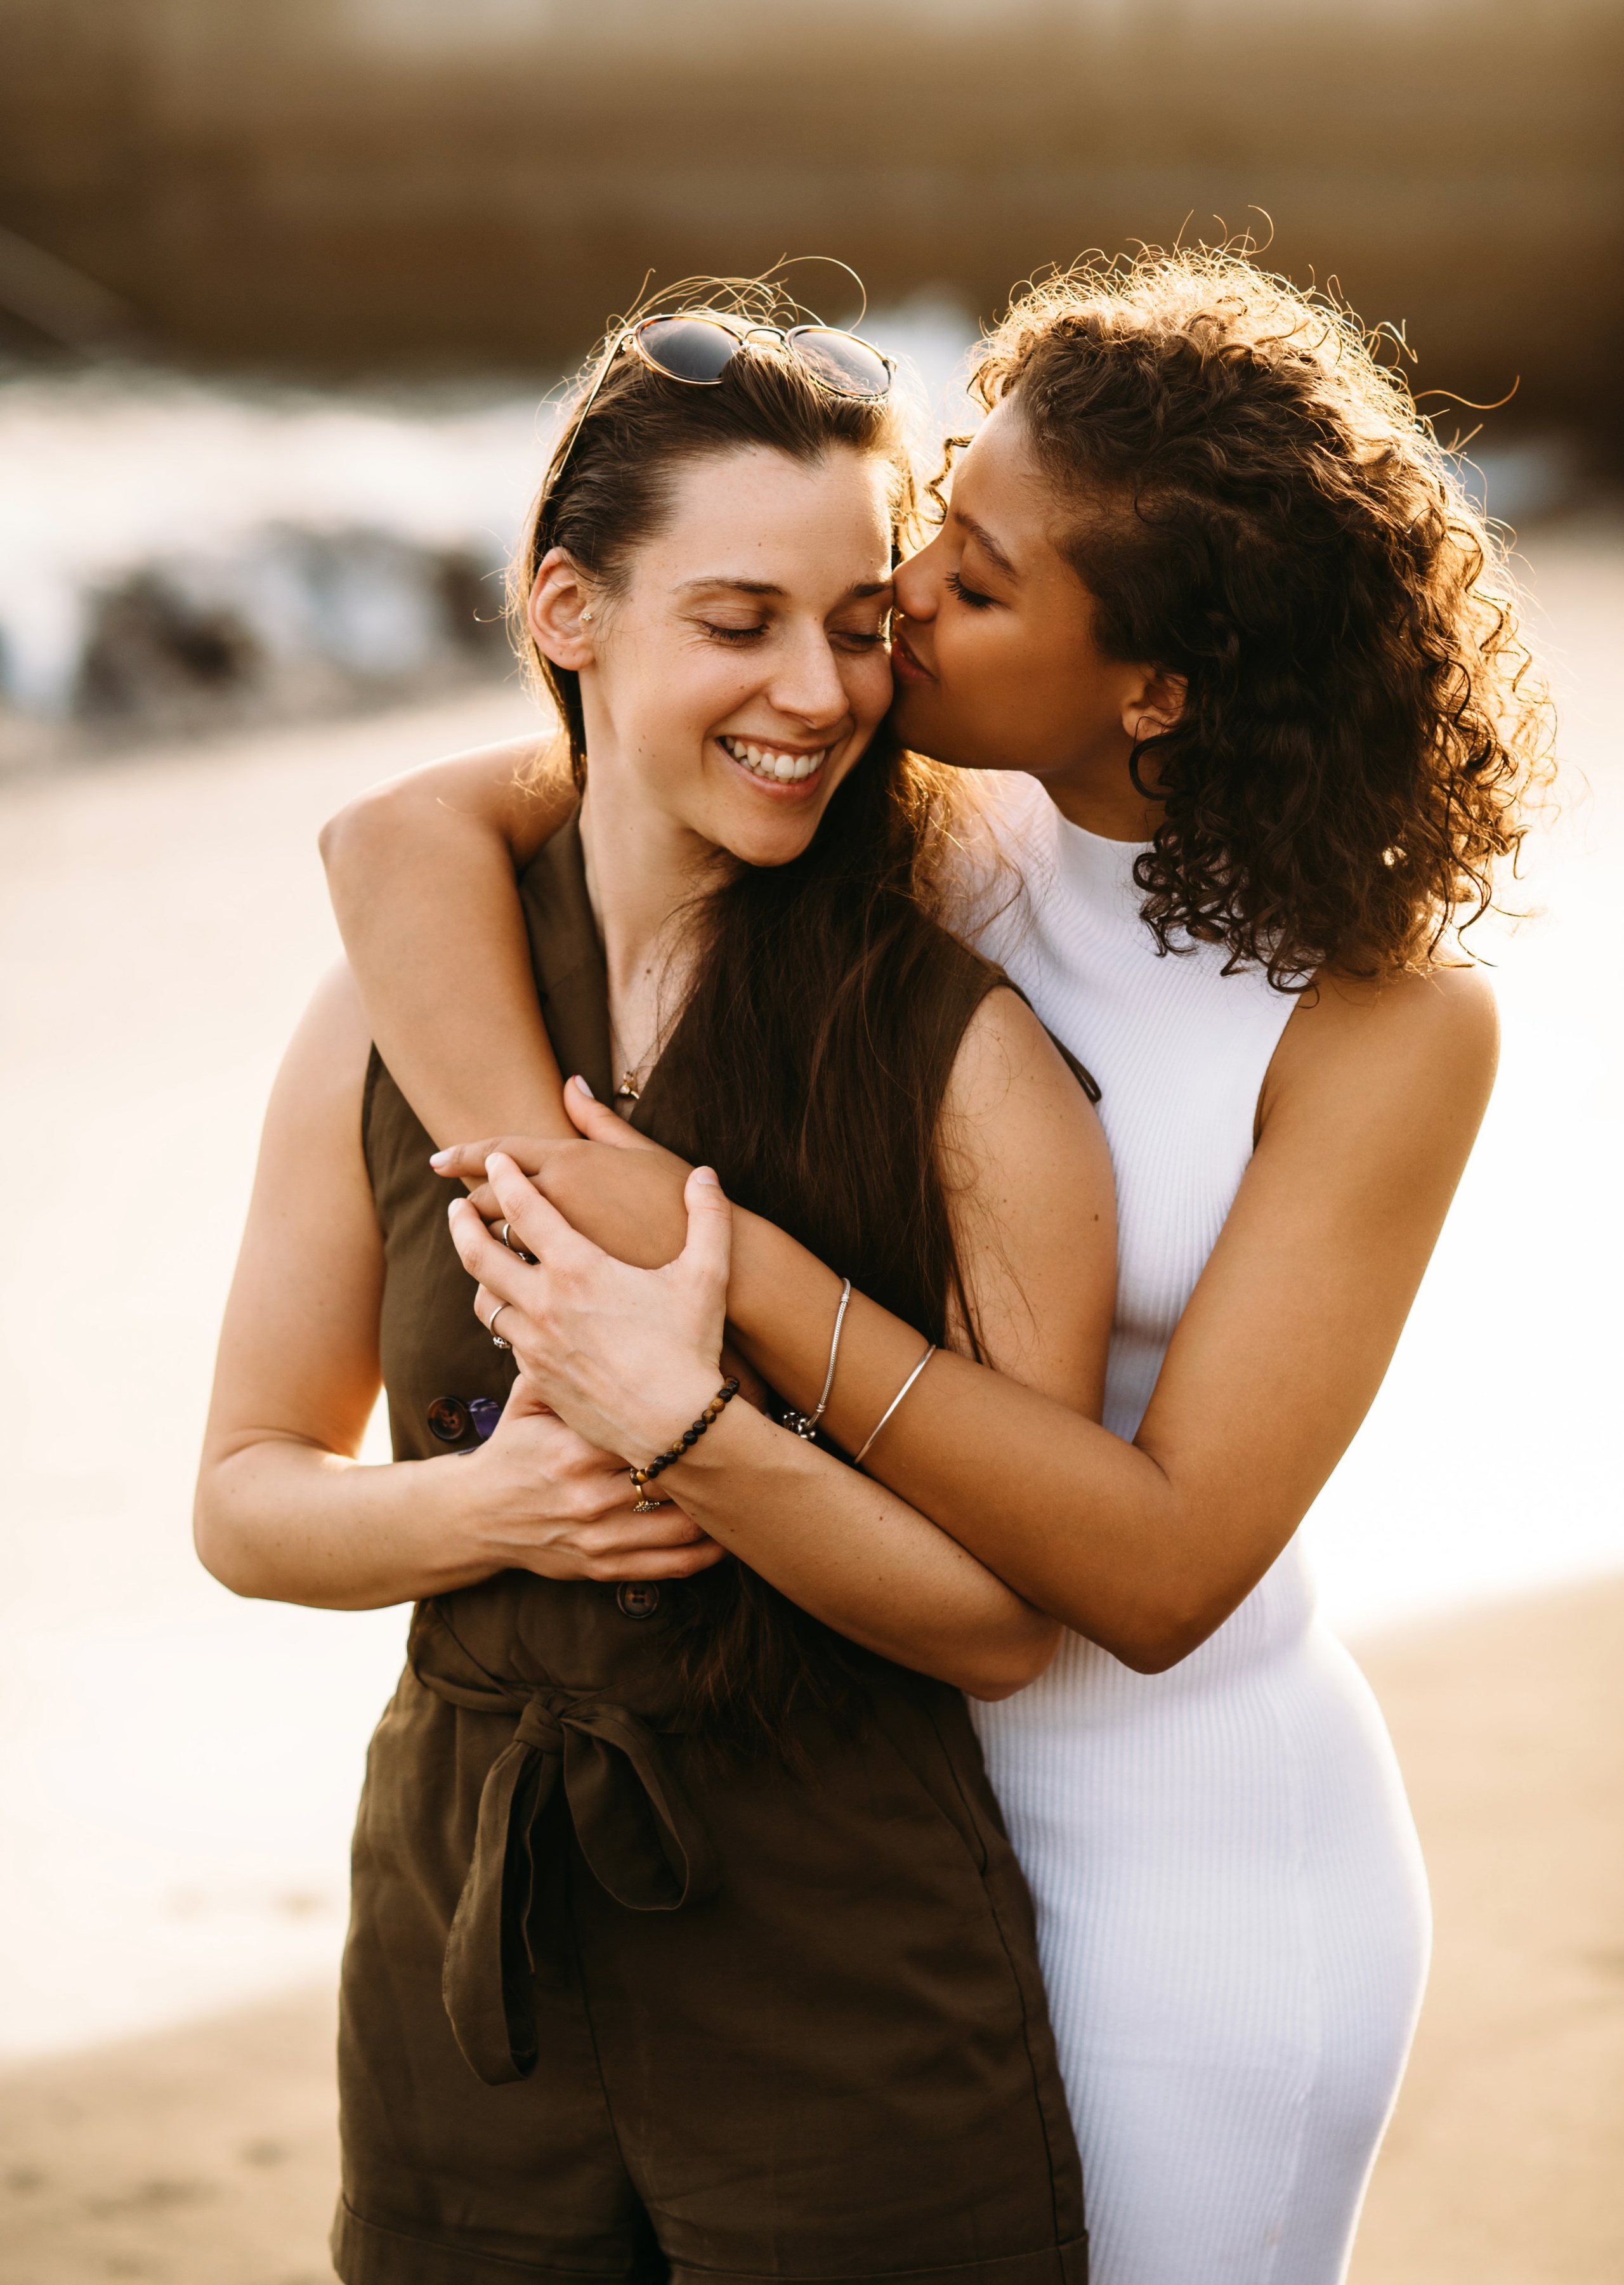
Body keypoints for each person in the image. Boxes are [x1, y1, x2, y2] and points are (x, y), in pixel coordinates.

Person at [323, 247, 1552, 2285]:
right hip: (873, 1836)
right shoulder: (919, 815)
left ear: (1154, 681)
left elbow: (1159, 1575)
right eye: (934, 524)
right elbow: (394, 841)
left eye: (969, 581)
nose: (886, 617)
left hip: (1185, 1852)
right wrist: (544, 1184)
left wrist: (716, 1283)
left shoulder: (1382, 1025)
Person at [197, 292, 1111, 2285]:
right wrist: (483, 1509)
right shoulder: (386, 1008)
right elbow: (249, 1495)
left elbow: (1002, 1622)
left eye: (859, 620)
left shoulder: (969, 1062)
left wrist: (687, 1439)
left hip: (839, 1947)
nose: (819, 686)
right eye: (737, 619)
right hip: (465, 1931)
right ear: (566, 615)